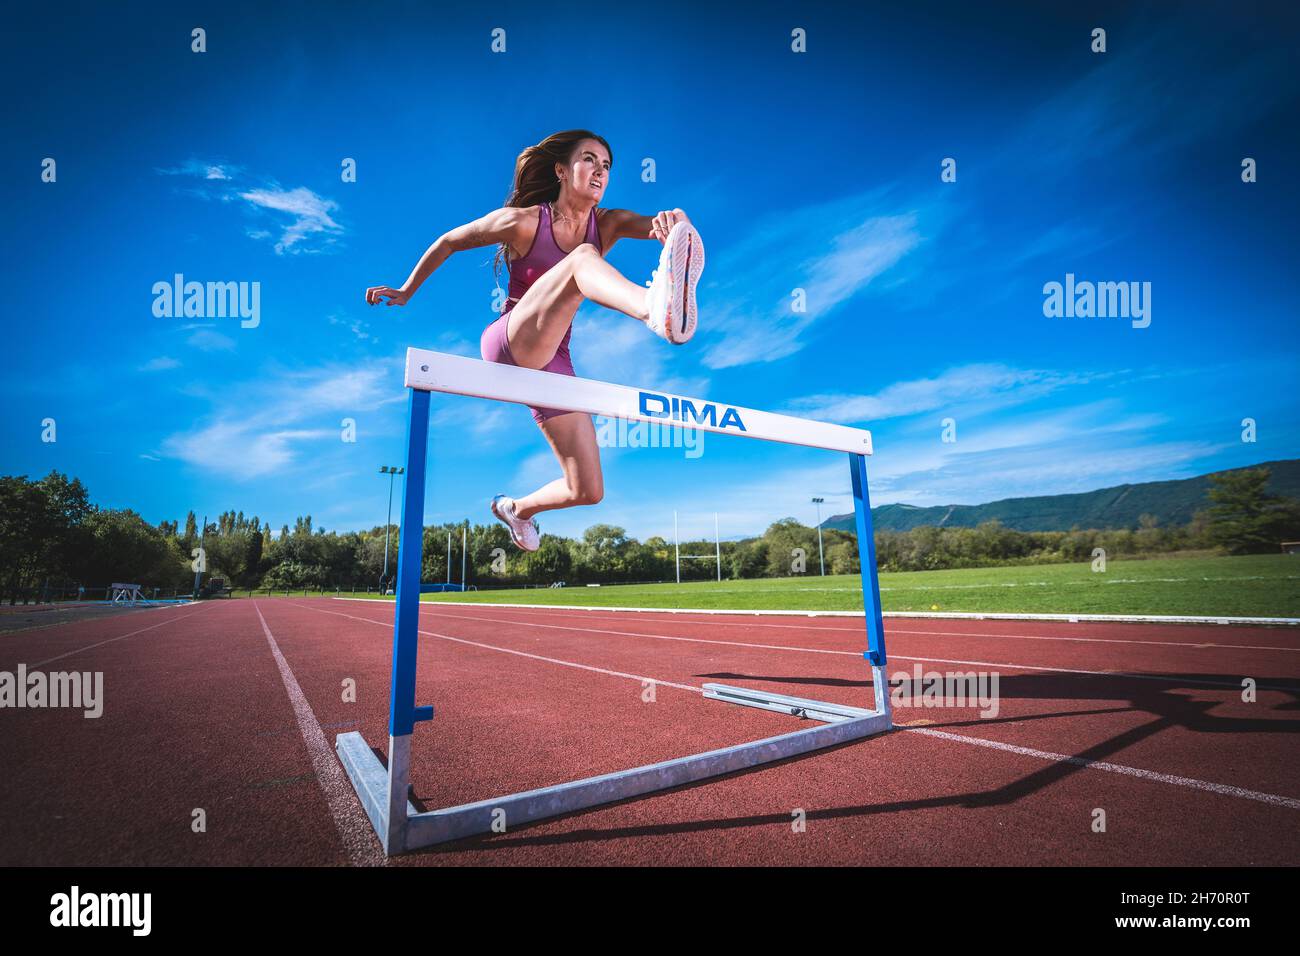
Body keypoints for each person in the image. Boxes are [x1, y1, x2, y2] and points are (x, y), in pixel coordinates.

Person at [366, 129, 704, 551]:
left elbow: (663, 230)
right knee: (583, 259)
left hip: (555, 359)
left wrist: (676, 224)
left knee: (588, 488)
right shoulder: (525, 221)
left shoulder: (609, 223)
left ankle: (516, 509)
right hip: (510, 341)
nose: (600, 171)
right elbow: (450, 241)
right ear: (561, 170)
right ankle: (655, 310)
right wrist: (406, 289)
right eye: (588, 160)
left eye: (606, 166)